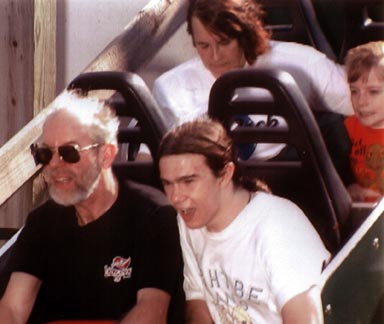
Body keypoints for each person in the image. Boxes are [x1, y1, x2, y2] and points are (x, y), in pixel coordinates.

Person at [0, 91, 185, 324]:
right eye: (45, 153)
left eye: (69, 152)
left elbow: (151, 313)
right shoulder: (42, 222)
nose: (54, 165)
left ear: (106, 155)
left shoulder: (153, 218)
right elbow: (13, 310)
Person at [157, 117, 331, 324]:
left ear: (225, 174)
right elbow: (199, 301)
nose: (175, 197)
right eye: (168, 184)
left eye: (188, 181)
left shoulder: (277, 226)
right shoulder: (190, 219)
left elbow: (306, 319)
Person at [152, 0, 353, 166]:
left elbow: (371, 105)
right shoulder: (170, 87)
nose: (214, 56)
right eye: (204, 45)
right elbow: (148, 159)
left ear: (245, 34)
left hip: (293, 180)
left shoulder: (302, 63)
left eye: (224, 42)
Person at [344, 41, 384, 202]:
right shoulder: (349, 127)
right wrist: (350, 188)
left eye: (373, 92)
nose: (361, 101)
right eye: (354, 91)